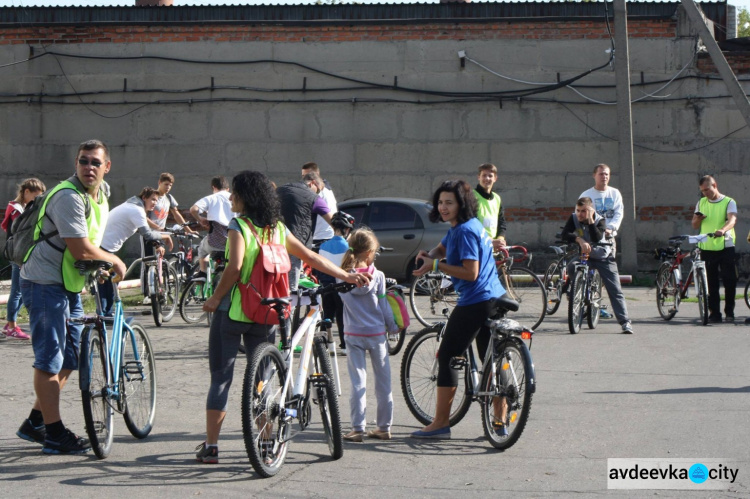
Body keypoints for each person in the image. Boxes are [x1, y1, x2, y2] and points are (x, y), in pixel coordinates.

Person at [194, 170, 370, 464]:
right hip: (267, 309)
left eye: (234, 194)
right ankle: (265, 443)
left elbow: (235, 267)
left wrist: (214, 298)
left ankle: (211, 446)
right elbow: (310, 257)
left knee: (221, 379)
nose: (231, 199)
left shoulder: (239, 225)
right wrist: (344, 275)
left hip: (232, 310)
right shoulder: (277, 228)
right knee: (262, 379)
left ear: (246, 198)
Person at [16, 139, 127, 455]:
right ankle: (53, 433)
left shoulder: (100, 195)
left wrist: (96, 265)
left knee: (71, 356)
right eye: (83, 161)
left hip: (69, 284)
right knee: (49, 360)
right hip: (43, 284)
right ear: (76, 164)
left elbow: (87, 242)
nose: (89, 167)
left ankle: (36, 421)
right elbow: (79, 246)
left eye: (95, 162)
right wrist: (113, 260)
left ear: (107, 167)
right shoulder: (68, 197)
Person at [410, 179, 506, 439]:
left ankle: (440, 423)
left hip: (475, 301)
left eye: (449, 202)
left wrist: (436, 267)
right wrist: (430, 255)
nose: (443, 207)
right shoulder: (464, 227)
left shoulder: (463, 231)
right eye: (440, 202)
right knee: (493, 360)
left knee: (449, 356)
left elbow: (470, 273)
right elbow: (443, 247)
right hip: (496, 297)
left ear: (461, 203)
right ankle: (500, 421)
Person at [338, 227, 400, 442]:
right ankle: (384, 427)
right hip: (376, 334)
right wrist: (392, 327)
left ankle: (357, 428)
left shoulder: (342, 276)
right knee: (383, 382)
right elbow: (383, 306)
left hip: (353, 334)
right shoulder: (379, 276)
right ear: (368, 253)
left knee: (358, 382)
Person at [560, 197, 633, 334]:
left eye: (584, 211)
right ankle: (576, 289)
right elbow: (565, 234)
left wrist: (591, 221)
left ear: (590, 210)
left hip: (603, 257)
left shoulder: (600, 220)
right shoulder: (574, 218)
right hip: (585, 256)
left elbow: (596, 238)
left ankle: (625, 322)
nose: (580, 214)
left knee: (615, 290)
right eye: (578, 210)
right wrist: (579, 239)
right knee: (571, 266)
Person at [98, 187, 170, 315]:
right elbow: (147, 234)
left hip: (105, 246)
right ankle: (104, 313)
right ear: (144, 198)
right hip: (104, 248)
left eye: (157, 200)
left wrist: (157, 243)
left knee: (109, 279)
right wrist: (166, 236)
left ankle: (106, 311)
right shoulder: (136, 210)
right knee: (109, 279)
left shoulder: (132, 206)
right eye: (152, 199)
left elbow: (139, 230)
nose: (155, 203)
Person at [1, 178, 46, 341]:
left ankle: (10, 323)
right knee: (17, 291)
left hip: (23, 254)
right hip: (18, 253)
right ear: (26, 192)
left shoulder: (23, 208)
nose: (37, 200)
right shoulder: (16, 209)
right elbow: (19, 232)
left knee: (20, 290)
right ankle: (12, 325)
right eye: (36, 196)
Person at [580, 163, 624, 319]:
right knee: (586, 272)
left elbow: (619, 213)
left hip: (608, 238)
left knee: (606, 274)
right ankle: (584, 301)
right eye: (601, 174)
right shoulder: (587, 195)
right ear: (594, 176)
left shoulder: (615, 193)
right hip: (592, 238)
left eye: (606, 174)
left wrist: (610, 228)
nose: (604, 177)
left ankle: (597, 302)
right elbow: (580, 216)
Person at [691, 175, 737, 323]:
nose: (706, 193)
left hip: (725, 245)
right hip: (707, 247)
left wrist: (722, 230)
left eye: (707, 189)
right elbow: (694, 225)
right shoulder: (701, 203)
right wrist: (698, 219)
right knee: (711, 282)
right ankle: (714, 313)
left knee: (729, 280)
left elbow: (732, 220)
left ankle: (729, 311)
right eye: (703, 191)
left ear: (715, 185)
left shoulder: (729, 202)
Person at [277, 172, 333, 292]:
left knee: (274, 285)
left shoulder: (280, 190)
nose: (318, 193)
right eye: (318, 190)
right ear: (313, 182)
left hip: (273, 244)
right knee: (290, 288)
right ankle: (287, 310)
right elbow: (333, 221)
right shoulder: (313, 197)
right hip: (295, 246)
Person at [318, 211, 355, 354]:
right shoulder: (348, 248)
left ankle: (323, 343)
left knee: (327, 313)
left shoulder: (323, 246)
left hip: (326, 284)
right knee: (341, 314)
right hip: (342, 285)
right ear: (347, 230)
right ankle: (344, 345)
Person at [189, 176, 234, 281]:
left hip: (214, 243)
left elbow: (193, 209)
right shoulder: (235, 199)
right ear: (228, 188)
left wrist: (200, 219)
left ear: (214, 187)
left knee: (202, 249)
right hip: (233, 244)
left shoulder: (211, 198)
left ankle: (203, 273)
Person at [472, 163, 507, 252]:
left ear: (495, 178)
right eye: (484, 175)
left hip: (493, 249)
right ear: (478, 177)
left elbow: (501, 223)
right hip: (475, 247)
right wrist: (490, 241)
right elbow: (471, 225)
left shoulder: (497, 198)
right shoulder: (471, 196)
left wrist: (500, 240)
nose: (487, 179)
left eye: (490, 176)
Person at [301, 162, 337, 245]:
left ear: (316, 174)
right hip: (327, 235)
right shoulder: (327, 188)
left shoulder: (317, 192)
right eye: (303, 176)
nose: (304, 179)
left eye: (307, 176)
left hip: (319, 238)